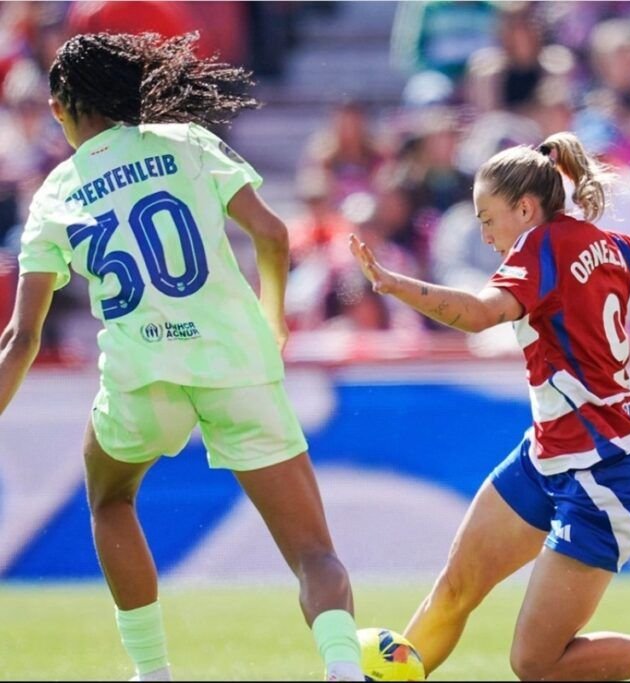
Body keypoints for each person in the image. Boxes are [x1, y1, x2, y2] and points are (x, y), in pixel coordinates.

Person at [0, 33, 363, 682]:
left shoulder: (55, 193)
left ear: (60, 108)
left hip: (142, 377)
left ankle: (153, 672)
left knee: (110, 499)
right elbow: (272, 234)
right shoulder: (188, 142)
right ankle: (342, 668)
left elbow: (21, 339)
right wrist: (273, 318)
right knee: (313, 551)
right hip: (235, 364)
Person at [349, 131, 630, 682]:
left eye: (488, 219)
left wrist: (395, 285)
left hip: (603, 477)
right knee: (456, 588)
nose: (485, 234)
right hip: (548, 458)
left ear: (525, 208)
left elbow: (479, 314)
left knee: (535, 663)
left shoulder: (539, 248)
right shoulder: (605, 243)